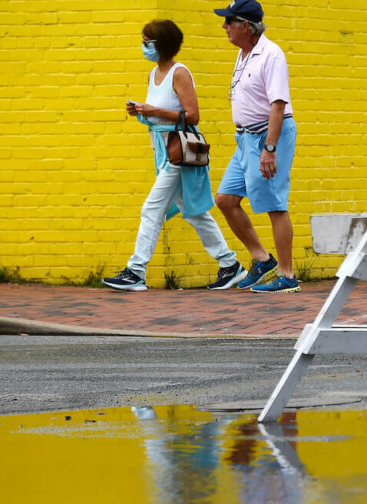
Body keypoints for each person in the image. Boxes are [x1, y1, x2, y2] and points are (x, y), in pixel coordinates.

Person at [104, 19, 247, 292]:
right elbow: (157, 115)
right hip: (162, 150)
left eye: (148, 41)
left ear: (162, 44)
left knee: (151, 208)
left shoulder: (179, 73)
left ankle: (136, 271)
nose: (144, 46)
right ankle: (230, 264)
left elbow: (192, 115)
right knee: (194, 214)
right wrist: (141, 112)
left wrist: (154, 111)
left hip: (179, 153)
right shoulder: (152, 74)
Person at [213, 0, 301, 293]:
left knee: (275, 204)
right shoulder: (244, 54)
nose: (224, 26)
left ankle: (287, 276)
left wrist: (270, 149)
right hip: (245, 139)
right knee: (225, 199)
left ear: (246, 26)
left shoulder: (271, 55)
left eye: (229, 21)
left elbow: (278, 105)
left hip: (268, 136)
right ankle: (263, 259)